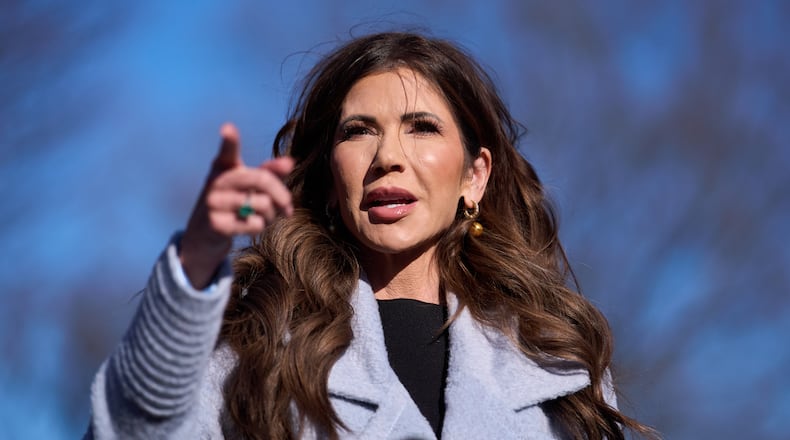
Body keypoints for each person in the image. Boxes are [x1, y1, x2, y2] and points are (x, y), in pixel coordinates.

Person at [85, 32, 653, 439]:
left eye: (422, 128)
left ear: (474, 176)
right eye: (359, 132)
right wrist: (195, 263)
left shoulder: (556, 364)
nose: (387, 158)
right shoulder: (253, 347)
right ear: (331, 179)